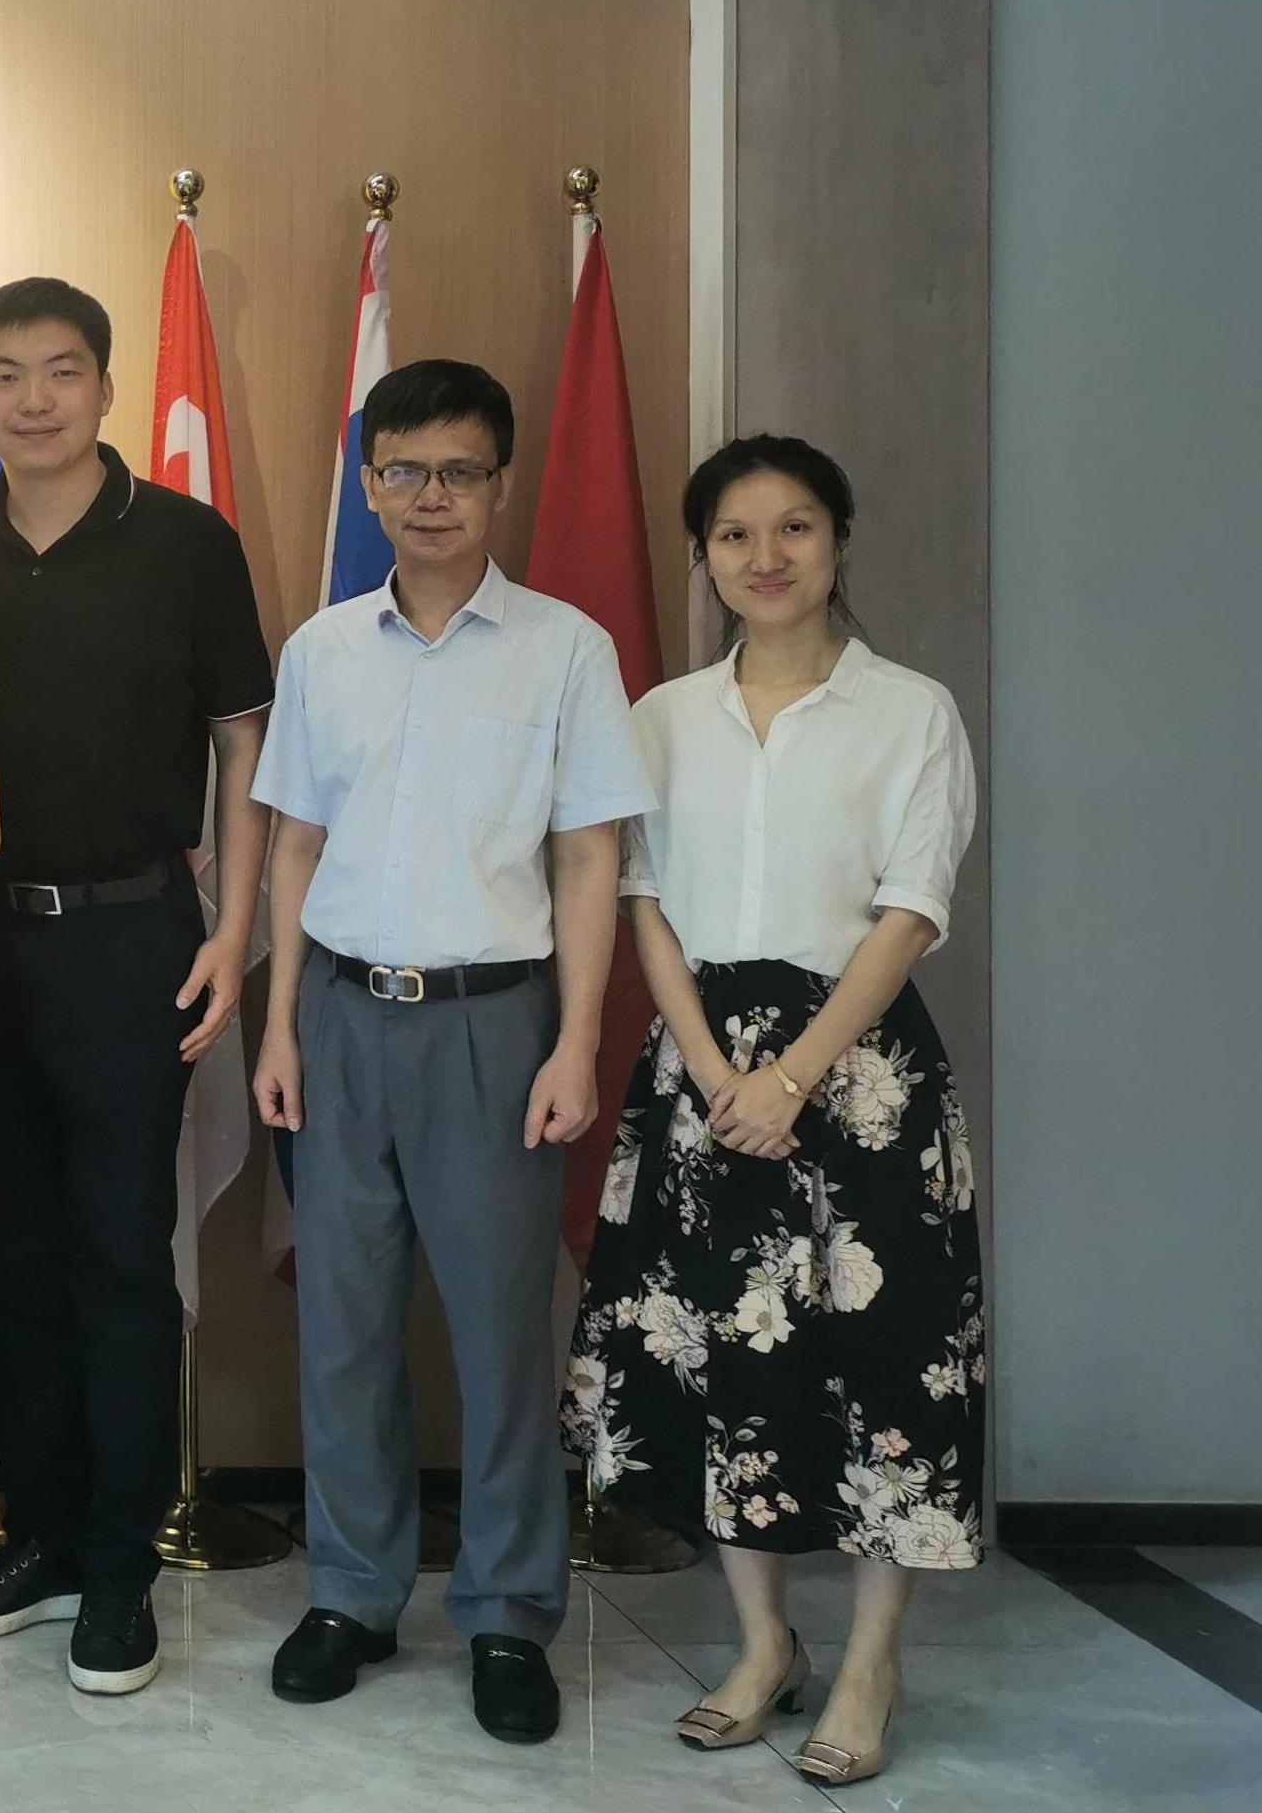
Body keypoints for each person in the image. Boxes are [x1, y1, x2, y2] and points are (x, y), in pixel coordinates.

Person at [564, 436, 980, 1789]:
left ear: (837, 539)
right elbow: (642, 901)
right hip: (702, 1074)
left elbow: (910, 910)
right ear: (703, 555)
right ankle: (761, 1646)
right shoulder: (659, 717)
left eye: (794, 526)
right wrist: (706, 1068)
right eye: (735, 533)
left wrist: (792, 1073)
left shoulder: (909, 711)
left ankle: (869, 1662)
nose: (766, 555)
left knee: (885, 1364)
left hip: (858, 1076)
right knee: (731, 1362)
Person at [250, 358, 652, 1746]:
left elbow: (588, 854)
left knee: (498, 1332)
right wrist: (279, 1024)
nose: (431, 496)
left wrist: (576, 1041)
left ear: (500, 483)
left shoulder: (565, 649)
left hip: (495, 1024)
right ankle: (352, 1593)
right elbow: (293, 843)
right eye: (405, 470)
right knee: (342, 1327)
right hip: (340, 1018)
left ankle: (504, 1610)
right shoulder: (321, 650)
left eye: (460, 471)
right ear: (369, 485)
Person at [0, 278, 275, 1695]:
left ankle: (120, 1570)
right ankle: (41, 1538)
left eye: (62, 370)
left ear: (106, 389)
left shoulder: (185, 541)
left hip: (132, 940)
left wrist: (231, 928)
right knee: (15, 1262)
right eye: (5, 373)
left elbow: (242, 743)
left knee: (122, 1256)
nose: (34, 399)